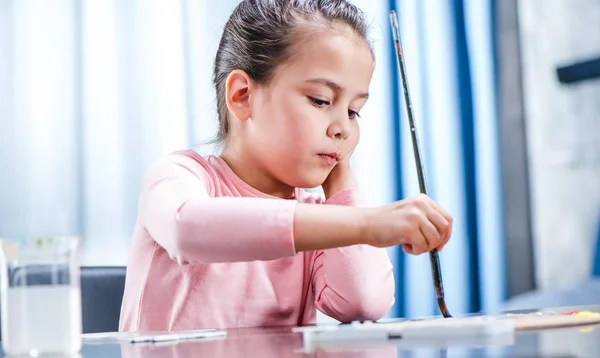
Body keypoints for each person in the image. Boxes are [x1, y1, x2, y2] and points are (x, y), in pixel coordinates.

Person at [119, 0, 453, 332]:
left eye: (353, 111)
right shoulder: (180, 177)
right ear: (242, 96)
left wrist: (341, 181)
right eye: (321, 100)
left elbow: (362, 302)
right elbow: (186, 229)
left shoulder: (325, 219)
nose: (344, 128)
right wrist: (369, 223)